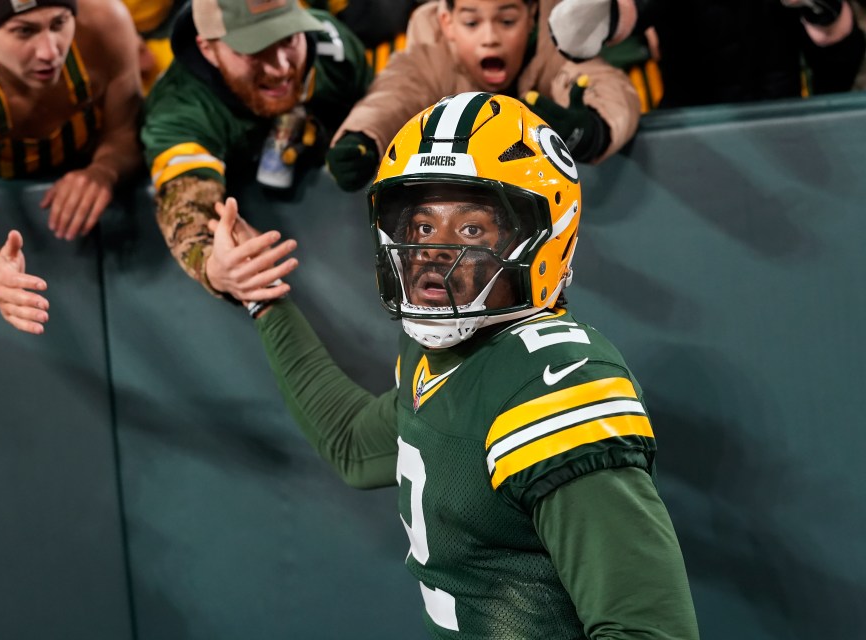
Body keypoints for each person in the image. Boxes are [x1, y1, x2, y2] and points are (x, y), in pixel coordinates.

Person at [208, 92, 700, 638]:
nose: (434, 252)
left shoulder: (556, 383)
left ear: (544, 236)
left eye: (470, 229)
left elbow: (652, 632)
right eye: (422, 227)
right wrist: (261, 298)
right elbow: (352, 445)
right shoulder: (434, 354)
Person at [0, 0, 143, 335]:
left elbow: (125, 132)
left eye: (59, 24)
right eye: (24, 31)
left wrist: (104, 169)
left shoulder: (104, 23)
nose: (49, 51)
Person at [141, 0, 372, 299]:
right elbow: (187, 204)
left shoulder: (331, 46)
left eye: (288, 37)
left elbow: (386, 98)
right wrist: (213, 266)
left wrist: (370, 131)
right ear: (207, 48)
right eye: (254, 49)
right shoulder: (180, 107)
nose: (280, 67)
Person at [323, 0, 641, 193]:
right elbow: (395, 93)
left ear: (531, 15)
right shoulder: (431, 50)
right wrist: (363, 136)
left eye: (507, 21)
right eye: (472, 22)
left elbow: (604, 83)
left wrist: (594, 129)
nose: (490, 38)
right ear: (447, 23)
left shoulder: (558, 37)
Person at [548, 0, 866, 108]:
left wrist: (826, 13)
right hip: (695, 132)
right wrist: (601, 17)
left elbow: (839, 66)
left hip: (785, 121)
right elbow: (632, 11)